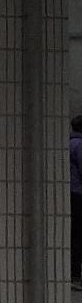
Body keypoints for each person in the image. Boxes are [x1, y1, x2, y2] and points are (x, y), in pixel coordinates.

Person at [70, 116, 82, 287]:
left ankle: (74, 274)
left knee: (75, 234)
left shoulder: (68, 143)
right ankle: (76, 275)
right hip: (80, 193)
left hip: (71, 193)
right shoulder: (80, 146)